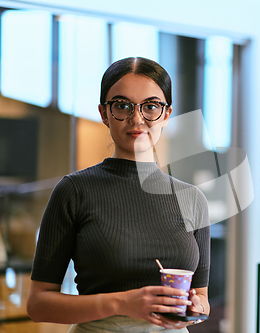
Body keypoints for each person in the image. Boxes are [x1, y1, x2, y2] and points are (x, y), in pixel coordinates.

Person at [26, 57, 210, 332]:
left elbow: (203, 299)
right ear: (104, 113)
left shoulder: (192, 199)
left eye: (150, 107)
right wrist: (123, 303)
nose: (137, 119)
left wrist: (196, 308)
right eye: (122, 106)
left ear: (167, 114)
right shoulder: (74, 190)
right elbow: (38, 304)